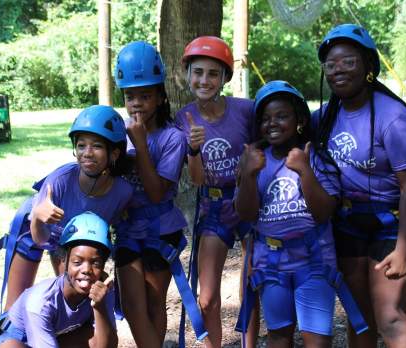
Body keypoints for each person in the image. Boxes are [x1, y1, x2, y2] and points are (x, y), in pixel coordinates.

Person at [314, 24, 406, 347]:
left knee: (391, 317)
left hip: (392, 226)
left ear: (369, 65)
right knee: (359, 318)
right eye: (331, 64)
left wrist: (404, 250)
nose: (338, 70)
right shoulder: (325, 116)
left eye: (348, 62)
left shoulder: (394, 118)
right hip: (349, 225)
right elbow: (281, 126)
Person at [235, 80, 344, 347]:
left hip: (314, 261)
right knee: (278, 336)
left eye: (282, 116)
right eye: (265, 118)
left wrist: (305, 171)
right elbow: (247, 214)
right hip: (271, 264)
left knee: (316, 340)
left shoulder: (315, 157)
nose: (272, 123)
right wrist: (248, 175)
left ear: (299, 120)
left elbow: (323, 213)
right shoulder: (255, 159)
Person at [2, 105, 134, 312]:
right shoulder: (59, 181)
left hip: (73, 241)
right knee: (14, 306)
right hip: (37, 230)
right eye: (81, 146)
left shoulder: (123, 192)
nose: (87, 153)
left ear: (114, 153)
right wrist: (37, 216)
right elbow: (42, 239)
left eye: (97, 146)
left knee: (79, 300)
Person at [174, 36, 259, 347]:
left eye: (213, 73)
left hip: (248, 200)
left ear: (225, 77)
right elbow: (196, 180)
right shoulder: (183, 118)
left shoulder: (246, 111)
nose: (204, 80)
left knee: (253, 283)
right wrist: (194, 149)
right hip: (212, 206)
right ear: (187, 75)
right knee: (206, 298)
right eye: (198, 72)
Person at [112, 41, 195, 347]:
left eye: (145, 96)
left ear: (160, 97)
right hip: (127, 228)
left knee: (153, 300)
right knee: (133, 306)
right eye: (130, 96)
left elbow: (158, 193)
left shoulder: (172, 138)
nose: (136, 104)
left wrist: (142, 147)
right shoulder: (118, 132)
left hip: (161, 230)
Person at [0, 212, 118, 348]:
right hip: (16, 337)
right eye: (77, 262)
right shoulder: (41, 302)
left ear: (104, 264)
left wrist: (99, 307)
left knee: (95, 336)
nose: (86, 269)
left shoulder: (102, 290)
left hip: (54, 337)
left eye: (96, 263)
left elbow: (108, 345)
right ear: (64, 259)